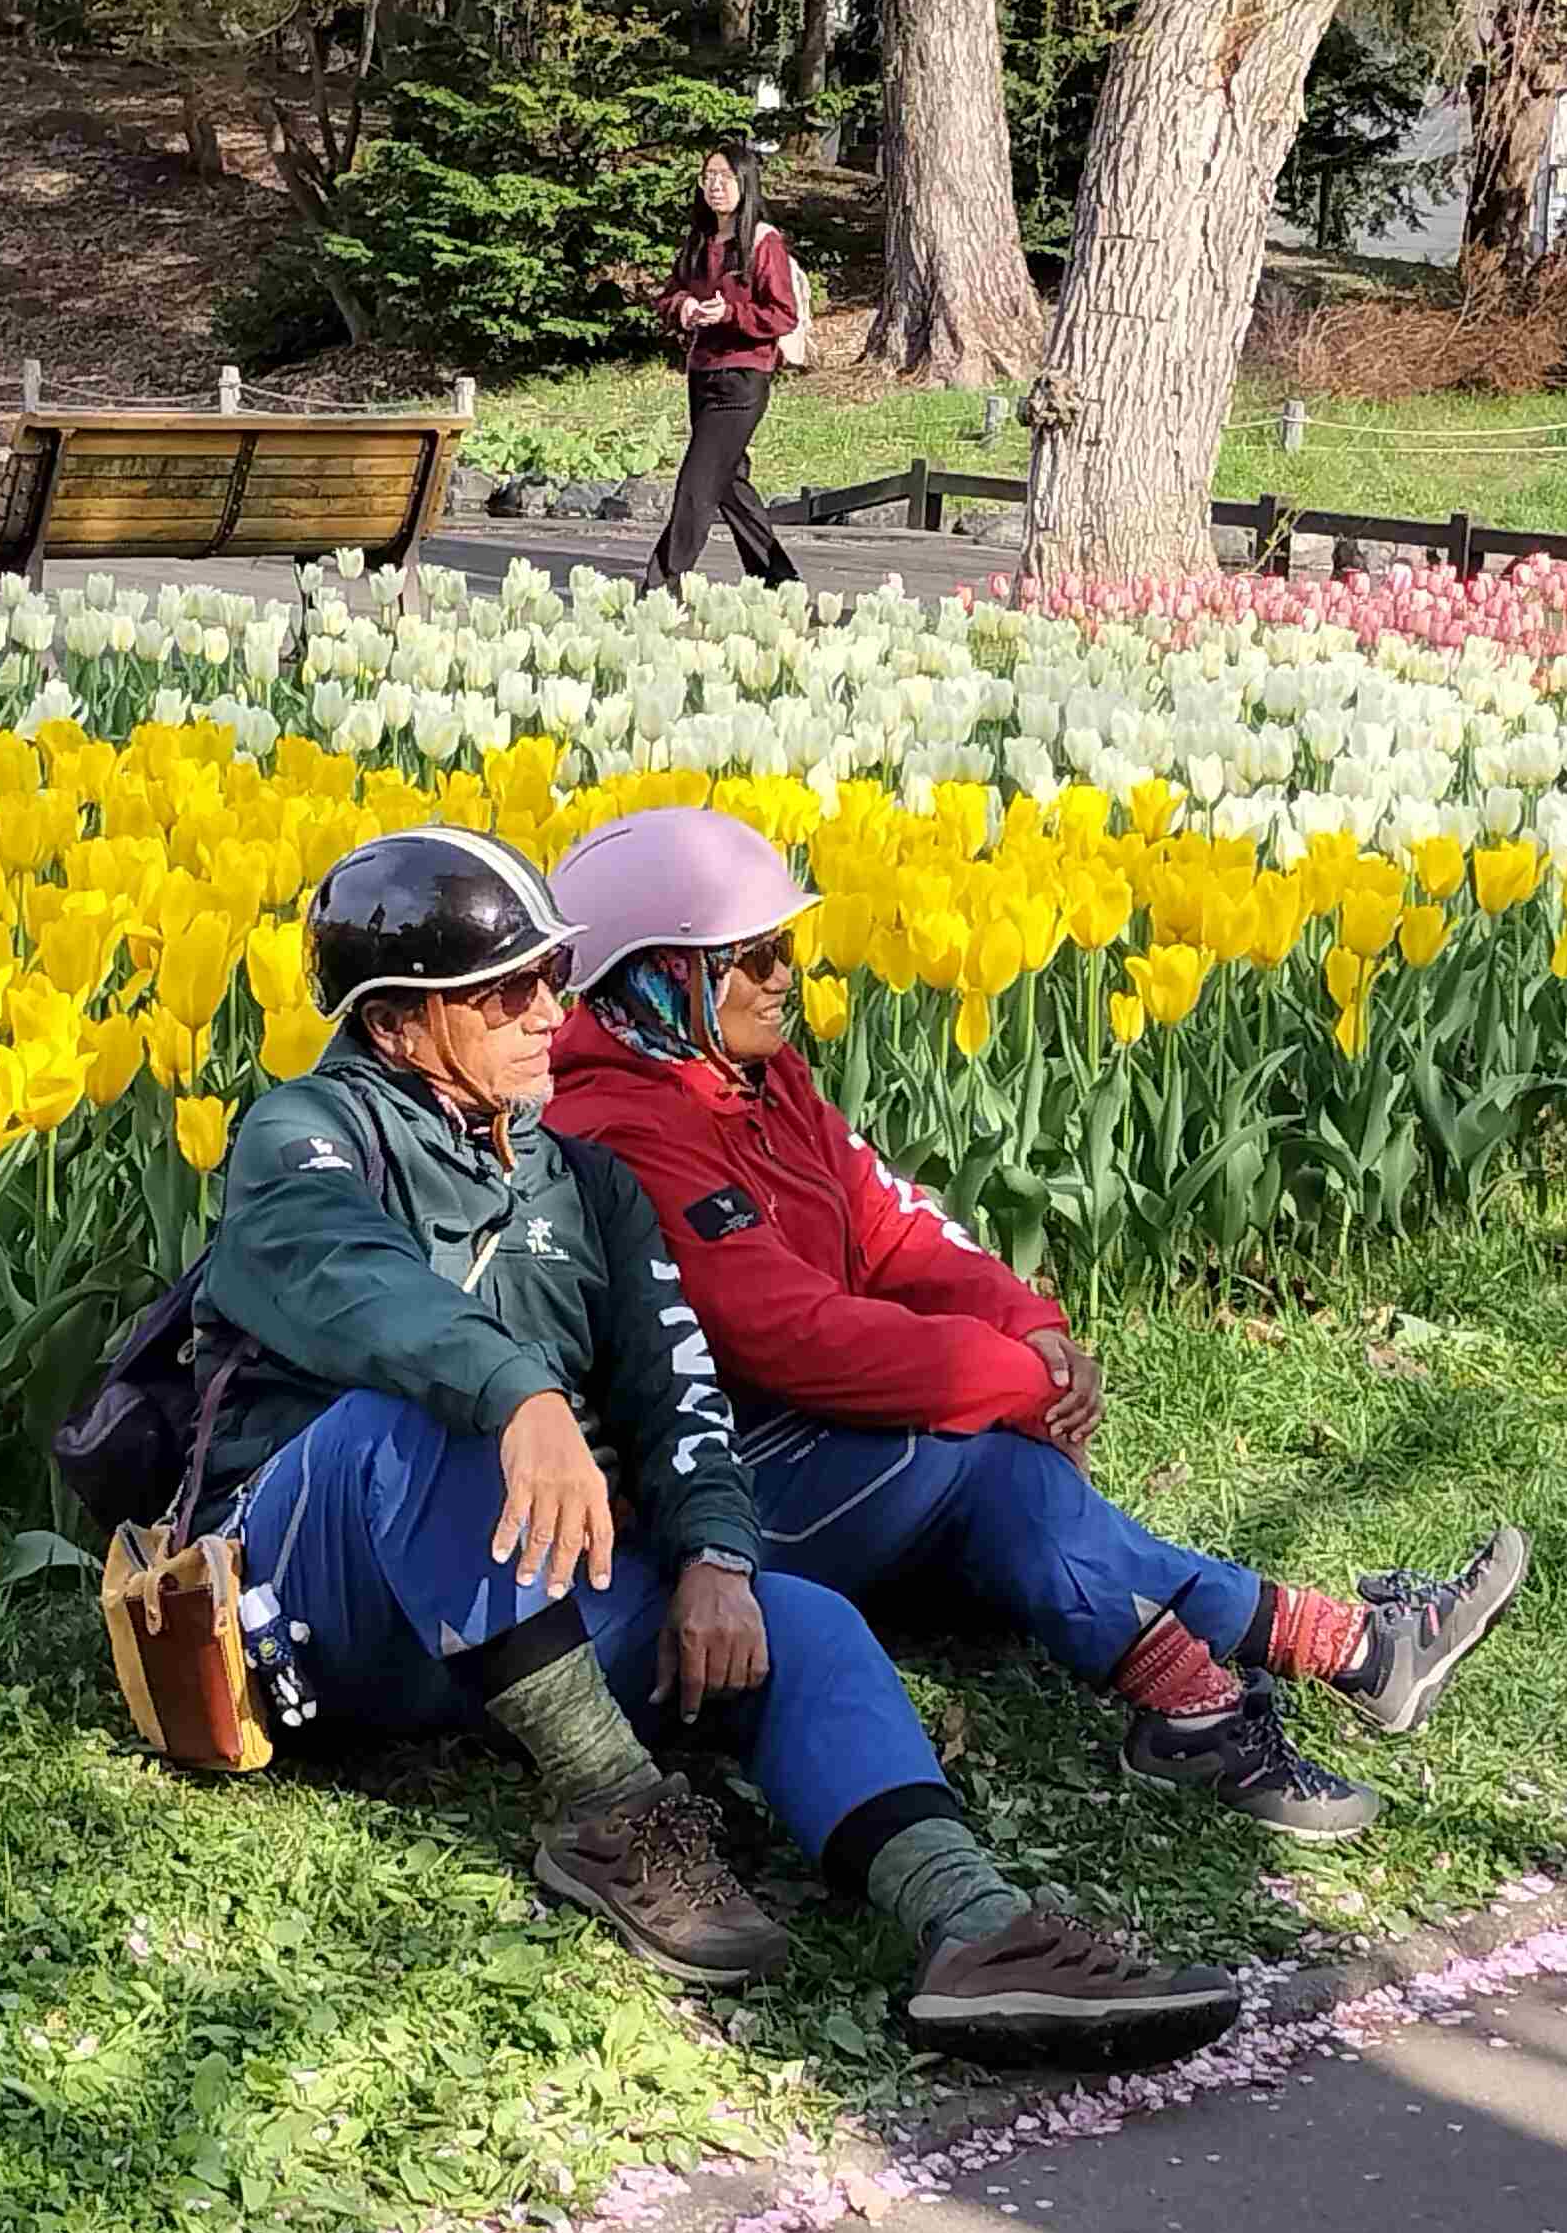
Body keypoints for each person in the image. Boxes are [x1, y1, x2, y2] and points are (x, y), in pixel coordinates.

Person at [188, 824, 1242, 2069]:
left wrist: (712, 1557)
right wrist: (520, 1395)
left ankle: (974, 1931)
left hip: (507, 1608)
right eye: (506, 992)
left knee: (802, 1622)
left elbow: (675, 1383)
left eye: (552, 978)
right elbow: (354, 1281)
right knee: (421, 1415)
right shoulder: (303, 1134)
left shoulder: (583, 1180)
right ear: (396, 1023)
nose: (550, 1012)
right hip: (317, 1590)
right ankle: (613, 1810)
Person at [542, 806, 1531, 1843]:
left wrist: (1026, 1323)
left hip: (810, 1446)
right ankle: (1305, 1667)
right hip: (709, 1489)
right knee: (989, 1471)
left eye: (786, 944)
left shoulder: (753, 1075)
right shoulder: (620, 1127)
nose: (786, 974)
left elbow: (889, 1222)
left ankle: (1301, 1673)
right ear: (654, 975)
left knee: (1011, 1488)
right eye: (750, 957)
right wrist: (1010, 1380)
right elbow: (787, 1335)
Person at [644, 145, 804, 592]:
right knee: (728, 481)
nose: (715, 186)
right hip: (702, 372)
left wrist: (729, 314)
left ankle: (661, 583)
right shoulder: (699, 240)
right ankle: (778, 579)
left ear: (745, 183)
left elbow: (783, 315)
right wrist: (685, 307)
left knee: (697, 481)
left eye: (725, 177)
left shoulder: (763, 242)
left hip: (743, 377)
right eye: (708, 176)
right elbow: (668, 294)